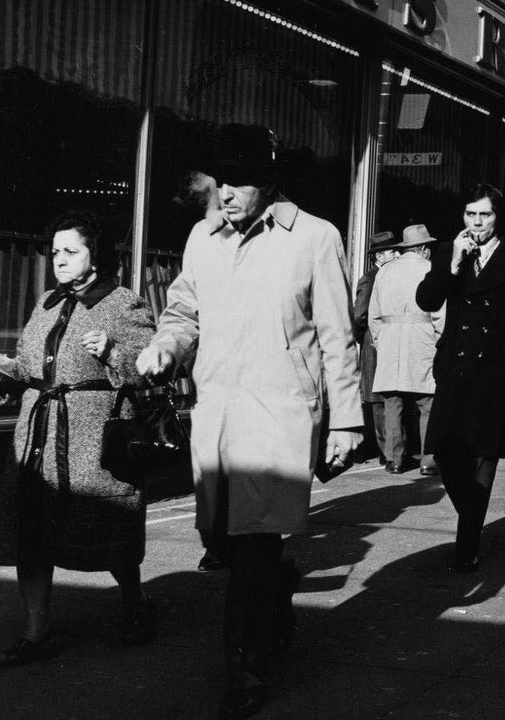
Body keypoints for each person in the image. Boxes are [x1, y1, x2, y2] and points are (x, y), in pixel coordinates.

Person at [137, 126, 363, 720]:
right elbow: (184, 309)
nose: (226, 193)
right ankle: (278, 591)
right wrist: (166, 345)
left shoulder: (315, 238)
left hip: (280, 413)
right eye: (220, 181)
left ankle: (245, 666)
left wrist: (346, 422)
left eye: (238, 181)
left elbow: (340, 338)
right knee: (220, 541)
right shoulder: (202, 237)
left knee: (254, 542)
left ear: (268, 182)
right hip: (215, 412)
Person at [0, 213, 158, 666]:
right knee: (31, 531)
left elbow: (148, 369)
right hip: (37, 436)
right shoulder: (47, 300)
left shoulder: (123, 303)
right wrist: (8, 371)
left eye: (71, 251)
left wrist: (111, 350)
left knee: (105, 526)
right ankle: (36, 631)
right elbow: (33, 364)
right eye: (55, 252)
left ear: (95, 255)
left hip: (91, 435)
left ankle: (134, 602)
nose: (59, 260)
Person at [416, 181, 505, 573]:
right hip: (455, 368)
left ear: (498, 218)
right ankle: (472, 519)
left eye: (484, 214)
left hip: (493, 369)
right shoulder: (450, 252)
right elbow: (426, 300)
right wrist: (452, 262)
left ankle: (467, 543)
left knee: (484, 458)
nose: (477, 222)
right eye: (470, 214)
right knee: (447, 454)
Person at [369, 225, 444, 474]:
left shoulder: (385, 272)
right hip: (422, 340)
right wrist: (439, 341)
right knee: (428, 403)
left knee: (393, 402)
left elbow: (374, 316)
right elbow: (441, 315)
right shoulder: (431, 269)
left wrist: (382, 341)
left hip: (390, 340)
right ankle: (429, 460)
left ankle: (395, 460)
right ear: (423, 248)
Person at [354, 231, 397, 465]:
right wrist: (363, 339)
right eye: (392, 251)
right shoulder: (370, 279)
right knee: (377, 399)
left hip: (385, 342)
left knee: (385, 396)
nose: (396, 253)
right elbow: (359, 314)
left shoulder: (389, 276)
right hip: (373, 344)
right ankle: (383, 450)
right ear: (380, 255)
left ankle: (388, 449)